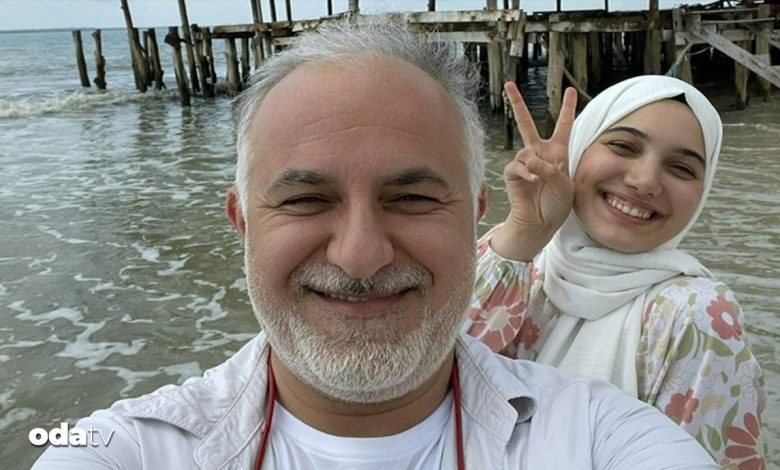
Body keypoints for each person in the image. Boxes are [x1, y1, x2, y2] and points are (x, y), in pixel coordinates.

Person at [33, 20, 717, 469]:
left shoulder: (600, 433)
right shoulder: (126, 447)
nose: (360, 256)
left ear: (473, 214)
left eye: (412, 198)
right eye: (305, 199)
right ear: (241, 220)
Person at [466, 75, 766, 467]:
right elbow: (420, 386)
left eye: (681, 168)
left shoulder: (697, 315)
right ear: (578, 149)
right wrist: (526, 230)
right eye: (623, 146)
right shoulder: (515, 263)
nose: (644, 182)